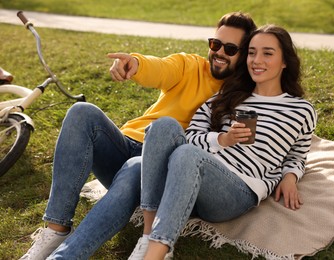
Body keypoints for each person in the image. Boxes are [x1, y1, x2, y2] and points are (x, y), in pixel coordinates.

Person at [20, 12, 257, 259]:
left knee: (137, 164)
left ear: (244, 55)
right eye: (215, 44)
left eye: (230, 49)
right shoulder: (190, 65)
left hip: (162, 168)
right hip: (128, 146)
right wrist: (135, 62)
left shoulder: (243, 96)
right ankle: (56, 228)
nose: (218, 53)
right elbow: (161, 68)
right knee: (82, 112)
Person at [136, 24, 317, 259]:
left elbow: (297, 154)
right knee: (164, 125)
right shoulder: (228, 96)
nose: (256, 60)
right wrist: (222, 139)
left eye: (267, 53)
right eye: (251, 52)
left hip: (237, 191)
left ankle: (155, 253)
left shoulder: (301, 110)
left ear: (285, 61)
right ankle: (147, 236)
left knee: (187, 155)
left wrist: (290, 176)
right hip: (196, 179)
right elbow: (188, 136)